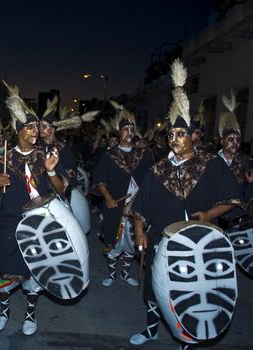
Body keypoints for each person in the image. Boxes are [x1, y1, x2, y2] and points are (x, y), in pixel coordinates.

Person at [129, 60, 241, 350]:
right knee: (155, 291)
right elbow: (140, 206)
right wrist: (140, 231)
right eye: (170, 135)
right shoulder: (159, 169)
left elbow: (232, 200)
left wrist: (208, 216)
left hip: (198, 244)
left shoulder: (211, 164)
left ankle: (187, 340)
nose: (174, 140)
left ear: (194, 136)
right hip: (160, 240)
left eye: (180, 134)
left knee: (191, 293)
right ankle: (151, 330)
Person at [0, 81, 65, 336]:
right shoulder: (2, 159)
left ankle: (30, 315)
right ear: (18, 130)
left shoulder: (45, 156)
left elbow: (61, 189)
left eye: (36, 128)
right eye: (30, 127)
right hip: (10, 222)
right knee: (6, 270)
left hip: (38, 223)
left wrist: (51, 171)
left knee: (34, 269)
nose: (35, 131)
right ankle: (5, 312)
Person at [92, 100, 153, 288]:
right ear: (119, 132)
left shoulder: (142, 155)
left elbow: (150, 181)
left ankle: (126, 274)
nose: (129, 131)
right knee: (113, 240)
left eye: (131, 129)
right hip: (115, 206)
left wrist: (141, 199)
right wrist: (109, 197)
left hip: (136, 208)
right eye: (125, 128)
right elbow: (100, 180)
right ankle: (112, 274)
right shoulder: (110, 156)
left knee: (131, 243)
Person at [216, 89, 253, 210]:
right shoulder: (211, 160)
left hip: (237, 214)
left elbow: (248, 193)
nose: (236, 143)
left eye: (238, 139)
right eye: (231, 139)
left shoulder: (246, 161)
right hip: (213, 212)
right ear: (222, 141)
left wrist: (250, 183)